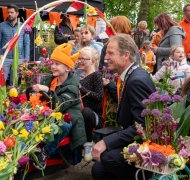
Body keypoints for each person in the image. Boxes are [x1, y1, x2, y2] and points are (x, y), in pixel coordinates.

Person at [91, 34, 155, 180]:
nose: (105, 57)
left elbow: (143, 126)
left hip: (145, 145)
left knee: (108, 157)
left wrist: (106, 142)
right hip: (133, 139)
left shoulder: (136, 80)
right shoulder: (131, 75)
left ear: (126, 55)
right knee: (98, 170)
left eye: (110, 53)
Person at [32, 43, 86, 169]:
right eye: (52, 63)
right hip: (48, 112)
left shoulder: (72, 86)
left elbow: (60, 105)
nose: (53, 66)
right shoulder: (49, 79)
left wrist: (48, 91)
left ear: (67, 68)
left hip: (67, 115)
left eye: (57, 64)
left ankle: (45, 152)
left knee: (64, 124)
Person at [77, 47, 104, 162]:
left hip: (93, 116)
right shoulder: (79, 77)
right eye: (79, 58)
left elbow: (99, 97)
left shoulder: (96, 75)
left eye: (83, 58)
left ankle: (88, 143)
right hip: (81, 113)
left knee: (86, 111)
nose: (79, 61)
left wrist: (81, 88)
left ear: (93, 61)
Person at [0, 4, 30, 85]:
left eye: (12, 12)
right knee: (1, 82)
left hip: (19, 58)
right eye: (8, 12)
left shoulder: (23, 26)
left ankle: (13, 97)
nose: (9, 14)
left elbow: (27, 43)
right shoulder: (1, 25)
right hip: (5, 58)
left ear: (17, 13)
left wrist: (26, 59)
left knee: (14, 83)